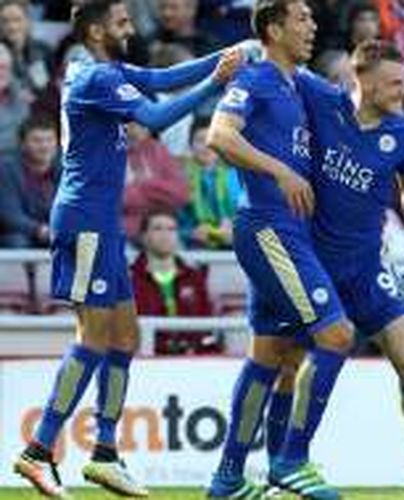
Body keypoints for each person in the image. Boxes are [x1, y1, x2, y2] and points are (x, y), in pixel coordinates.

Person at [12, 0, 243, 496]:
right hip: (85, 220)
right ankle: (38, 451)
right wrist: (216, 82)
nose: (130, 28)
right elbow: (157, 113)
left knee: (124, 339)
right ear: (97, 30)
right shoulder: (96, 78)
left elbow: (161, 79)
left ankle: (106, 453)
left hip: (102, 221)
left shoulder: (99, 71)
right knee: (94, 337)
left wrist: (226, 55)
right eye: (120, 22)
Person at [282, 39, 404, 498]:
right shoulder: (322, 101)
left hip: (368, 265)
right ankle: (288, 464)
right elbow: (279, 63)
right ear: (359, 79)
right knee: (294, 364)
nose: (403, 92)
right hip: (314, 262)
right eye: (393, 83)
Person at [205, 1, 354, 498]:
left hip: (291, 231)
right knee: (334, 336)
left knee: (275, 355)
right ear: (273, 28)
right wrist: (279, 170)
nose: (313, 26)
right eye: (302, 19)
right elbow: (220, 135)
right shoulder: (256, 79)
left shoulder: (296, 82)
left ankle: (229, 477)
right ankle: (291, 461)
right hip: (268, 227)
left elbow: (345, 100)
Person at [130, 211, 217, 355]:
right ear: (144, 236)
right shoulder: (129, 279)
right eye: (157, 228)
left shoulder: (194, 278)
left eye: (171, 229)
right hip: (145, 357)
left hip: (191, 359)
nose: (165, 234)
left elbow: (206, 324)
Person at [178, 118, 241, 249]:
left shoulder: (235, 176)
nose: (207, 146)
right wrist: (191, 233)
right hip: (193, 248)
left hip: (232, 246)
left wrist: (235, 228)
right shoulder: (179, 177)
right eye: (200, 140)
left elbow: (245, 213)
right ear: (190, 145)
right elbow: (176, 223)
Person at [0, 115, 59, 248]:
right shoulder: (6, 168)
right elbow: (10, 214)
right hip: (20, 232)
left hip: (54, 230)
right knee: (16, 240)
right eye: (37, 141)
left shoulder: (66, 168)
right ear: (22, 144)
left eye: (50, 140)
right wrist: (39, 230)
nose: (44, 146)